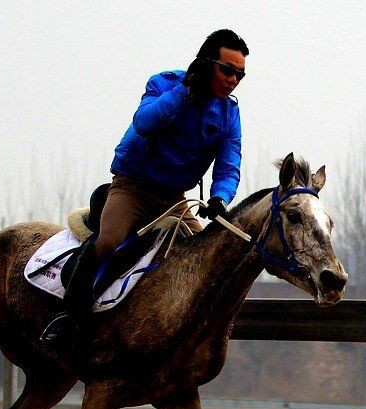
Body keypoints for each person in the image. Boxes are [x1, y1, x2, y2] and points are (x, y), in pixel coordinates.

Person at [41, 29, 248, 348]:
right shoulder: (164, 83)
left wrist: (220, 197)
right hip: (133, 188)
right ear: (206, 64)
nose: (233, 80)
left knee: (200, 258)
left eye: (240, 74)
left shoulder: (230, 113)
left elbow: (229, 162)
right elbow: (145, 123)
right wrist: (184, 92)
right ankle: (69, 319)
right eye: (227, 70)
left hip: (174, 201)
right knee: (109, 243)